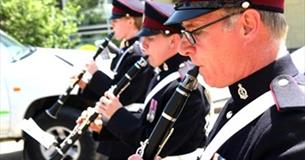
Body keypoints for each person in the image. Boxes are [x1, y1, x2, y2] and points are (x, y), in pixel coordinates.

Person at [161, 0, 305, 159]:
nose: (182, 49)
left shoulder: (295, 125)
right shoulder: (241, 99)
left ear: (247, 26)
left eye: (194, 31)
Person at [94, 1, 210, 159]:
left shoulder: (185, 87)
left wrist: (117, 115)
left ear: (173, 41)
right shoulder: (161, 75)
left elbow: (154, 146)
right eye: (143, 39)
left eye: (150, 39)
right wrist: (105, 126)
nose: (144, 46)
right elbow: (148, 124)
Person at [79, 0, 154, 107]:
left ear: (130, 21)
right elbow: (113, 86)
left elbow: (124, 97)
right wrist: (85, 86)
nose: (112, 26)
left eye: (115, 21)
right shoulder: (127, 49)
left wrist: (95, 73)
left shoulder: (139, 52)